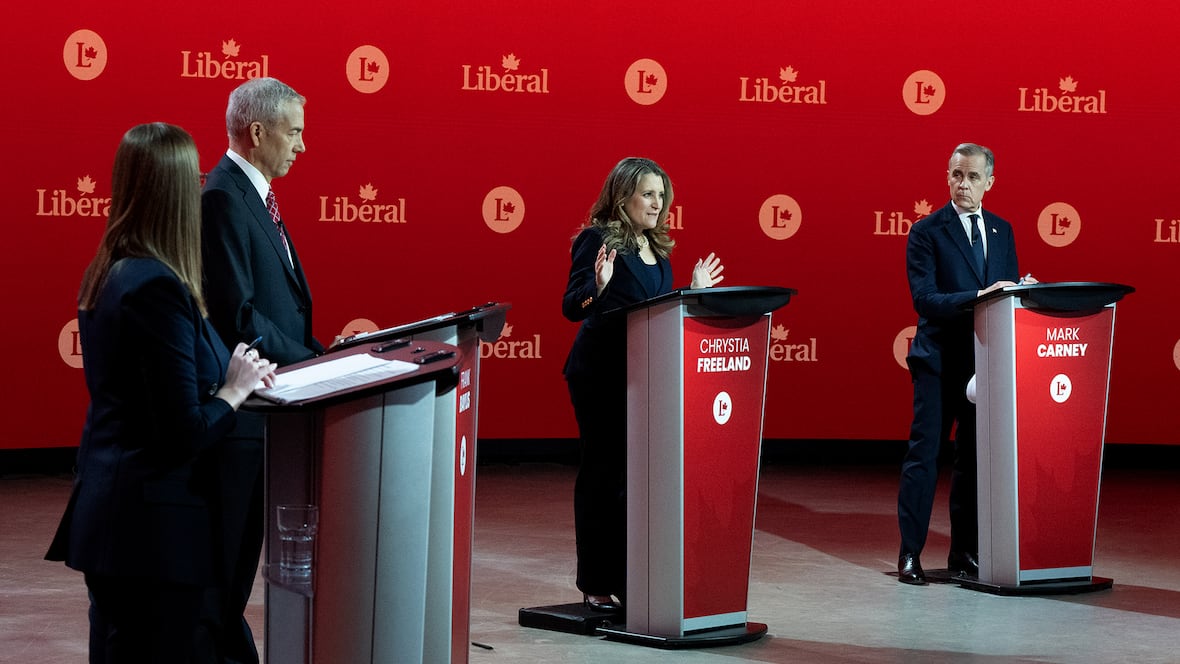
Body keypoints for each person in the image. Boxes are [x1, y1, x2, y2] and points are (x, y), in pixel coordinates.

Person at [45, 122, 278, 662]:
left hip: (116, 521)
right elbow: (185, 430)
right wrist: (235, 391)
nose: (202, 189)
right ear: (175, 193)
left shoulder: (109, 272)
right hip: (150, 533)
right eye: (193, 180)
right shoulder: (157, 286)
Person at [561, 157, 725, 611]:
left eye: (661, 195)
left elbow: (655, 312)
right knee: (603, 475)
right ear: (622, 196)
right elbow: (574, 307)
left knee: (634, 480)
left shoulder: (658, 249)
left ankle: (630, 577)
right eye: (648, 194)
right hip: (600, 376)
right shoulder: (597, 240)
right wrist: (597, 284)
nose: (658, 203)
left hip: (644, 377)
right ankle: (595, 581)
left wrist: (691, 292)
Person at [199, 77, 323, 662]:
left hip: (269, 410)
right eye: (294, 131)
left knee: (238, 567)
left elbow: (281, 310)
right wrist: (315, 363)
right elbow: (239, 313)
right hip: (244, 417)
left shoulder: (257, 197)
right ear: (258, 131)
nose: (301, 145)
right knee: (225, 569)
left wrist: (327, 355)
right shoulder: (224, 196)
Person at [897, 142, 1034, 585]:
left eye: (973, 177)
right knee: (925, 457)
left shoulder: (1003, 231)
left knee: (973, 462)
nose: (963, 184)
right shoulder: (926, 231)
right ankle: (910, 555)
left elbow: (1003, 291)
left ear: (990, 182)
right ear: (947, 176)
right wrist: (980, 296)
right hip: (937, 361)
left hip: (983, 364)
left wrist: (1019, 291)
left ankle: (964, 554)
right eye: (957, 175)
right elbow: (926, 299)